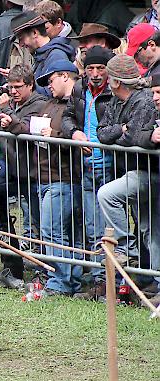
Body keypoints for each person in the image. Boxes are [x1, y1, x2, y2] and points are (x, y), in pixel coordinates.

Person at [0, 64, 47, 279]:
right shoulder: (11, 103)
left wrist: (6, 110)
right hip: (9, 166)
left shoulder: (40, 104)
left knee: (39, 225)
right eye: (10, 87)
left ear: (30, 85)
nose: (13, 91)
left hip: (34, 171)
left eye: (18, 87)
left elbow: (26, 129)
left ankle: (44, 272)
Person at [61, 46, 115, 300]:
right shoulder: (80, 89)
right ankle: (97, 280)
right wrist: (75, 133)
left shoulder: (115, 92)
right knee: (93, 226)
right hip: (85, 165)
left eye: (100, 68)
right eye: (91, 68)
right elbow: (67, 117)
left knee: (112, 229)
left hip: (111, 165)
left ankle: (113, 282)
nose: (95, 73)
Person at [97, 54, 156, 270]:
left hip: (147, 170)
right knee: (146, 227)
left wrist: (122, 133)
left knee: (108, 196)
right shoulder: (115, 100)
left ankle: (125, 250)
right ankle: (144, 272)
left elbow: (131, 137)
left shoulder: (143, 100)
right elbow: (102, 133)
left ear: (117, 81)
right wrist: (121, 129)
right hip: (128, 170)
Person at [34, 60, 83, 296]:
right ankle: (68, 280)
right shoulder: (50, 104)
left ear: (65, 76)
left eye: (51, 80)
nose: (48, 86)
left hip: (63, 177)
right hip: (46, 177)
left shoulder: (77, 105)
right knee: (58, 231)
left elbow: (78, 138)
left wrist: (54, 135)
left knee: (53, 232)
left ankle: (60, 282)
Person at [132, 73, 160, 306]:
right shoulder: (152, 111)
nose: (155, 97)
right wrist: (151, 136)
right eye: (153, 92)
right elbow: (135, 134)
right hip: (154, 180)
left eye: (159, 92)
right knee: (150, 231)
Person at [11, 11, 75, 97]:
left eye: (21, 39)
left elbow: (53, 93)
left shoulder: (56, 56)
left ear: (34, 33)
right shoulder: (40, 55)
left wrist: (24, 84)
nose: (21, 44)